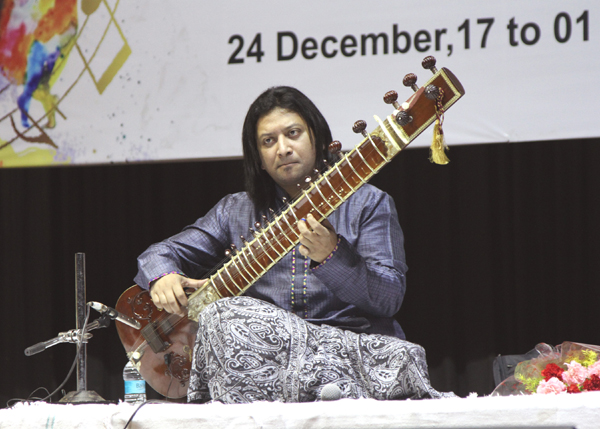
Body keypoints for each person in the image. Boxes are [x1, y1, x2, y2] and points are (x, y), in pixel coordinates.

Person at [134, 86, 453, 403]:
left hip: (349, 354)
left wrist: (332, 256)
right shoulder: (235, 211)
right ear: (259, 159)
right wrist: (163, 277)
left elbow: (388, 298)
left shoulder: (368, 204)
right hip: (269, 364)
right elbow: (159, 254)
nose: (283, 148)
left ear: (319, 140)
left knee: (224, 316)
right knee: (223, 315)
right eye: (268, 141)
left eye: (293, 134)